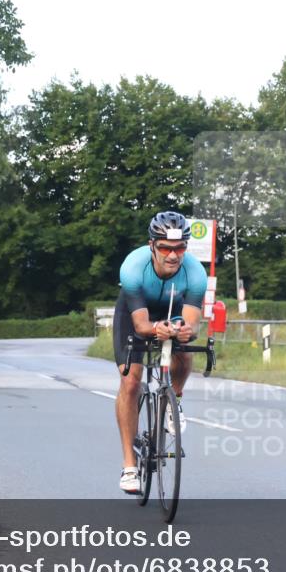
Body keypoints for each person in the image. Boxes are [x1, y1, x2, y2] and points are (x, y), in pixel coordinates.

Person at [114, 211, 207, 493]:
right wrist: (156, 329)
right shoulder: (133, 267)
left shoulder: (196, 274)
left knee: (184, 348)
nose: (173, 255)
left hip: (172, 311)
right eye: (165, 247)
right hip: (136, 313)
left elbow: (192, 324)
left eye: (179, 248)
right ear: (152, 244)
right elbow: (141, 325)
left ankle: (174, 400)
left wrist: (185, 331)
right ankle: (130, 466)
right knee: (131, 381)